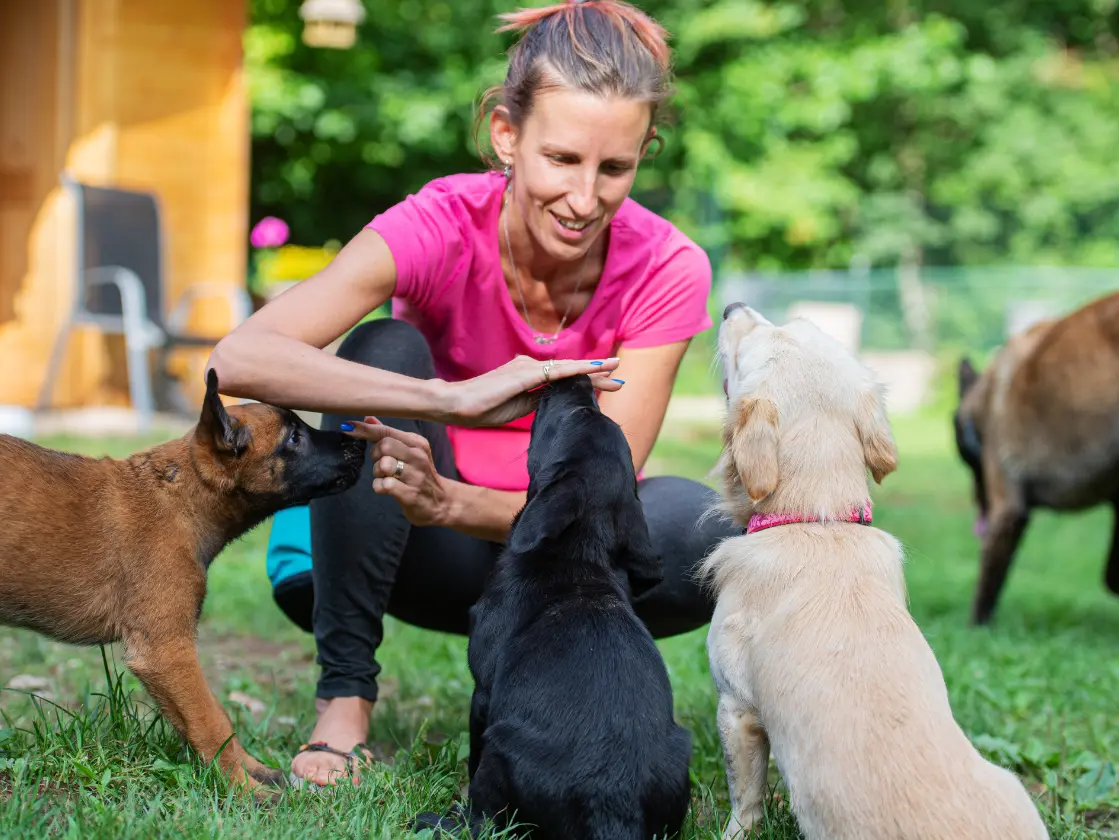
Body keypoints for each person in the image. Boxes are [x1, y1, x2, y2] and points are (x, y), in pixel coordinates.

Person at [208, 0, 742, 789]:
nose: (586, 197)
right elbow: (239, 358)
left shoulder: (668, 265)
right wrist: (450, 401)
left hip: (540, 568)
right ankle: (344, 701)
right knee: (384, 347)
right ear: (506, 135)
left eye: (615, 168)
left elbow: (604, 491)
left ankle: (549, 681)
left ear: (644, 153)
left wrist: (452, 501)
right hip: (392, 557)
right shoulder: (440, 224)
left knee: (700, 527)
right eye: (562, 159)